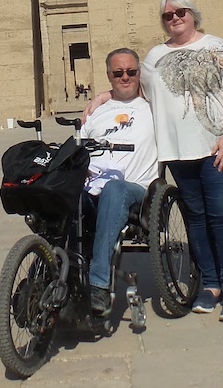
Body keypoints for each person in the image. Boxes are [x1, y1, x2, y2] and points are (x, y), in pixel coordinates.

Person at [84, 0, 223, 322]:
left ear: (192, 15)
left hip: (219, 147)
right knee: (197, 219)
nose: (174, 18)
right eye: (167, 15)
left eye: (180, 12)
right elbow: (137, 88)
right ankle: (210, 285)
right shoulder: (155, 56)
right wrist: (105, 95)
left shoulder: (215, 45)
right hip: (178, 153)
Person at [82, 48, 158, 317]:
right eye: (118, 73)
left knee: (114, 189)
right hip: (93, 186)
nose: (125, 77)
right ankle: (47, 272)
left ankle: (99, 282)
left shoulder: (154, 106)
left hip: (135, 188)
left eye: (131, 72)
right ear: (109, 76)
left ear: (140, 74)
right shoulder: (95, 112)